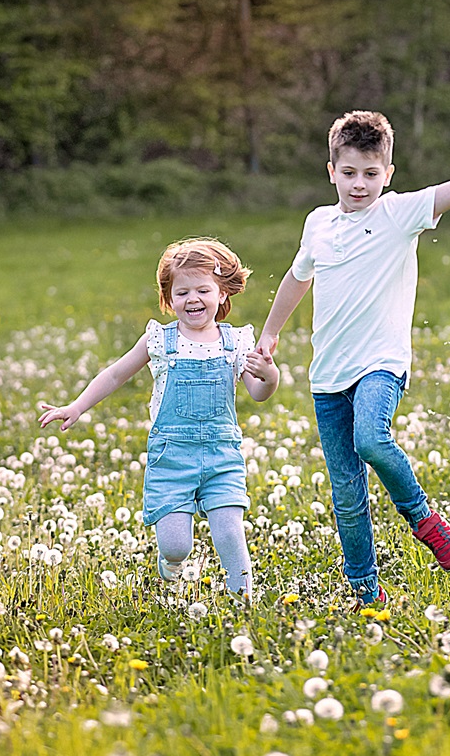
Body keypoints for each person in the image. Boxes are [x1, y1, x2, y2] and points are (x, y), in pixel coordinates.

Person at [257, 79, 450, 608]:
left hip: (380, 363)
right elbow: (296, 278)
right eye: (349, 173)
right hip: (328, 377)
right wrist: (271, 331)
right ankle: (365, 594)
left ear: (388, 175)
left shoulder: (399, 214)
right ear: (331, 171)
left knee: (372, 439)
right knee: (347, 499)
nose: (359, 184)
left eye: (371, 174)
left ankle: (425, 520)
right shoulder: (318, 224)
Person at [39, 237, 278, 598]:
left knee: (230, 531)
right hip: (172, 458)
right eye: (182, 292)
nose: (193, 299)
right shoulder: (159, 340)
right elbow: (116, 374)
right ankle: (172, 566)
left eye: (203, 290)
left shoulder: (238, 342)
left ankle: (242, 600)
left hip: (221, 456)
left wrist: (270, 376)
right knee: (175, 544)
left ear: (223, 294)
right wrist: (77, 406)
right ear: (169, 299)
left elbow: (258, 394)